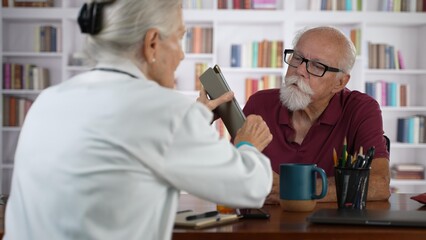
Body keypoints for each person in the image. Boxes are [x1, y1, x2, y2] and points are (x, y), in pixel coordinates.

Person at [4, 1, 273, 239]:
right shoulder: (164, 112)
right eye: (179, 39)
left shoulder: (48, 99)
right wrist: (246, 144)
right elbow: (249, 188)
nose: (181, 55)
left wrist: (194, 119)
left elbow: (131, 150)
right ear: (152, 42)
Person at [242, 26, 391, 204]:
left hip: (329, 228)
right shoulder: (260, 103)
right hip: (262, 225)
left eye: (317, 66)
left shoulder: (361, 109)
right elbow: (233, 174)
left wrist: (294, 189)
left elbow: (379, 184)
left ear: (340, 82)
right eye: (297, 58)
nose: (300, 70)